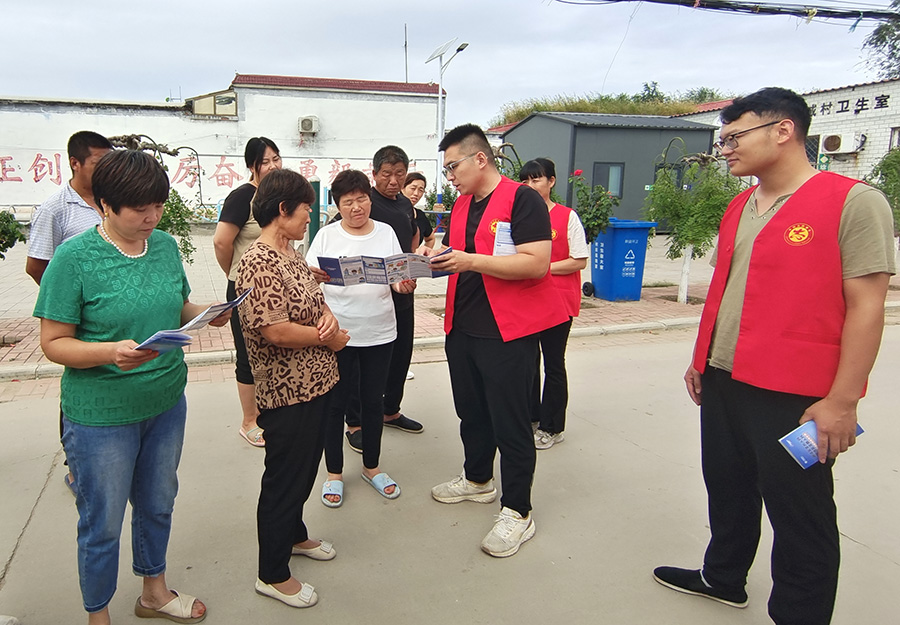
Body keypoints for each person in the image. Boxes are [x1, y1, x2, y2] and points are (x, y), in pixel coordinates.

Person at [652, 88, 896, 625]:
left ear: (783, 130)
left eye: (734, 137)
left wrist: (842, 401)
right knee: (727, 486)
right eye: (723, 140)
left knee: (800, 513)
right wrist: (702, 359)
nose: (725, 149)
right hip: (724, 378)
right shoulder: (739, 206)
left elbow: (867, 307)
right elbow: (727, 288)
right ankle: (723, 576)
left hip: (795, 395)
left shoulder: (854, 202)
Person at [34, 149, 227, 625]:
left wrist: (207, 313)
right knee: (101, 522)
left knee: (158, 503)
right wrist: (109, 352)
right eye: (139, 209)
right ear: (104, 204)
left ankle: (154, 592)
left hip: (165, 401)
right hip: (101, 416)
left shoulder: (163, 246)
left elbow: (177, 306)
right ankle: (97, 614)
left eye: (158, 205)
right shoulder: (73, 259)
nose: (152, 217)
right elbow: (53, 343)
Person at [426, 124, 569, 557]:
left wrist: (470, 260)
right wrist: (432, 258)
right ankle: (477, 480)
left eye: (453, 166)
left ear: (480, 158)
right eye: (446, 169)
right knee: (471, 412)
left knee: (510, 421)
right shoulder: (462, 204)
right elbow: (458, 256)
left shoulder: (521, 199)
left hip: (508, 331)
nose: (450, 176)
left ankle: (518, 511)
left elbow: (536, 263)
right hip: (462, 327)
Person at [235, 169, 349, 609]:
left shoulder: (291, 252)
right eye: (305, 210)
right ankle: (272, 572)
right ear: (283, 210)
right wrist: (329, 338)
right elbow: (276, 331)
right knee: (284, 478)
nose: (309, 218)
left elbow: (313, 303)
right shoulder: (258, 261)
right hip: (288, 392)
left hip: (319, 382)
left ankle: (294, 535)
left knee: (304, 469)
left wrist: (328, 319)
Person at [307, 170, 414, 506]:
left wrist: (403, 285)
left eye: (362, 199)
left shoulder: (385, 232)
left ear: (370, 199)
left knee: (373, 401)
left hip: (379, 331)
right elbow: (309, 280)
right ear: (338, 205)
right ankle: (334, 474)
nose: (357, 207)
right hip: (337, 333)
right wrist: (315, 276)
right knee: (335, 403)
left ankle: (372, 467)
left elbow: (397, 278)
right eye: (348, 202)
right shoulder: (326, 235)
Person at [25, 130, 112, 494]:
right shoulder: (55, 209)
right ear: (75, 163)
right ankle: (75, 464)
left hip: (112, 314)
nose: (106, 168)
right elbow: (36, 265)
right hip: (78, 317)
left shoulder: (112, 199)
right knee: (78, 384)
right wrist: (66, 304)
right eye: (98, 162)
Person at [321, 146, 423, 454]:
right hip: (346, 318)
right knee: (350, 380)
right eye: (387, 174)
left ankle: (389, 412)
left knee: (397, 361)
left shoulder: (401, 208)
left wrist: (405, 277)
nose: (394, 180)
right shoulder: (331, 231)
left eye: (400, 174)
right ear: (375, 174)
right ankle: (354, 425)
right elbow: (314, 274)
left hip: (389, 306)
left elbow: (409, 242)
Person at [213, 137, 283, 448]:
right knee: (248, 355)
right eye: (265, 161)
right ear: (252, 166)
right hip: (245, 289)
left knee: (273, 349)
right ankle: (249, 421)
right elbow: (221, 242)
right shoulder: (243, 197)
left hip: (276, 287)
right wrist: (235, 273)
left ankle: (269, 410)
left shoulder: (280, 195)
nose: (273, 166)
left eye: (276, 159)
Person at [519, 158, 589, 450]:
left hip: (558, 302)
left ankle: (552, 426)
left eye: (536, 180)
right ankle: (532, 415)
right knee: (527, 362)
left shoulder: (566, 217)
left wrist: (542, 267)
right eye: (525, 181)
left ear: (551, 181)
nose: (530, 186)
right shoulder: (519, 218)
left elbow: (579, 260)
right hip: (527, 300)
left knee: (553, 363)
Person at [402, 172, 436, 249]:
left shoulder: (420, 216)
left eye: (421, 190)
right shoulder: (391, 211)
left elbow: (430, 239)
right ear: (402, 188)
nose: (416, 193)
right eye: (413, 188)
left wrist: (423, 254)